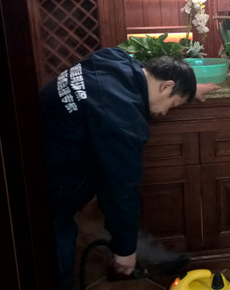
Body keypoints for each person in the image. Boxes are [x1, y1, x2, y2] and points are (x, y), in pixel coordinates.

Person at [39, 47, 219, 290]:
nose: (166, 112)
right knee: (58, 239)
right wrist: (125, 250)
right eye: (173, 104)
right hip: (44, 181)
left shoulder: (112, 58)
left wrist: (188, 89)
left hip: (27, 144)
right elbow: (120, 190)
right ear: (166, 86)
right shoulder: (121, 122)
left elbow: (152, 82)